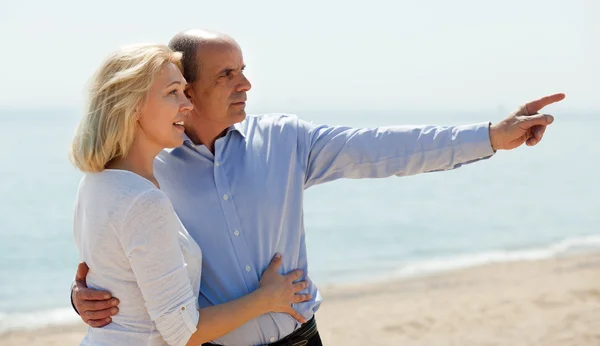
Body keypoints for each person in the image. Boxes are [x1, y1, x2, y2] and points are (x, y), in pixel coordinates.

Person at [71, 29, 566, 346]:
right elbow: (120, 245)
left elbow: (384, 149)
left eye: (244, 72)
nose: (245, 85)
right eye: (226, 75)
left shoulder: (285, 140)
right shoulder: (151, 167)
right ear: (188, 88)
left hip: (301, 341)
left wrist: (491, 137)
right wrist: (85, 296)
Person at [69, 43, 312, 346]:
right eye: (173, 93)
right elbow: (184, 334)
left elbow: (115, 278)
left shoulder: (96, 182)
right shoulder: (145, 201)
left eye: (185, 92)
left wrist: (78, 292)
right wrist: (266, 298)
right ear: (131, 106)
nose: (187, 105)